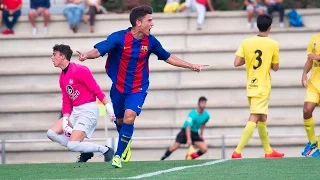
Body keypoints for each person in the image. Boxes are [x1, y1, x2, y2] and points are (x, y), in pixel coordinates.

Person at [77, 5, 208, 168]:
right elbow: (99, 50)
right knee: (120, 121)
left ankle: (118, 155)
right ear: (138, 22)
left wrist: (191, 65)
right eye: (149, 20)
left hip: (138, 88)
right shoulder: (119, 38)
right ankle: (126, 144)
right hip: (118, 87)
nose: (152, 24)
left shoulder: (151, 42)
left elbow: (168, 57)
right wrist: (86, 55)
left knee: (129, 117)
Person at [47, 44, 115, 162]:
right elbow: (66, 101)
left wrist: (110, 110)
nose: (52, 58)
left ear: (62, 56)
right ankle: (85, 150)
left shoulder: (80, 70)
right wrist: (65, 121)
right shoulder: (62, 77)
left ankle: (105, 150)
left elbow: (97, 90)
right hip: (75, 111)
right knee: (51, 133)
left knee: (72, 145)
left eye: (54, 55)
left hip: (88, 110)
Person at [231, 14, 284, 159]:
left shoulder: (246, 42)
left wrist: (249, 60)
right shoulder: (273, 44)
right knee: (255, 116)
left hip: (251, 85)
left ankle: (268, 151)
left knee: (262, 117)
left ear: (257, 25)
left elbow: (236, 62)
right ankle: (237, 151)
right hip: (262, 86)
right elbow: (276, 67)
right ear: (270, 27)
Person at [301, 33, 320, 157]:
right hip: (314, 82)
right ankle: (312, 141)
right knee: (307, 110)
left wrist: (318, 57)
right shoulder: (315, 38)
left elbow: (315, 57)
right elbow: (310, 59)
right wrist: (304, 74)